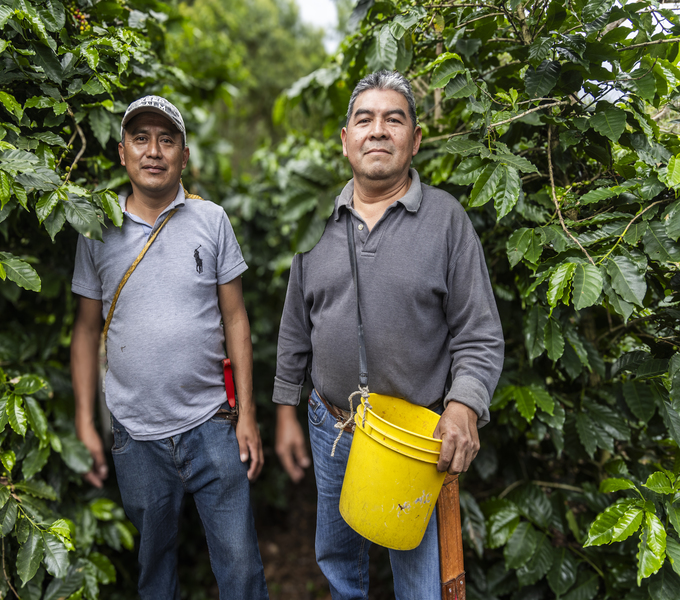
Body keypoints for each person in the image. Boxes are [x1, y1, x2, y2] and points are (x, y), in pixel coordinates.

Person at [273, 71, 504, 599]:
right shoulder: (317, 222)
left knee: (422, 585)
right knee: (338, 567)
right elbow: (294, 330)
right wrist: (285, 413)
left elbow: (480, 332)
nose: (378, 130)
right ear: (346, 138)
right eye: (365, 119)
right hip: (331, 427)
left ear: (415, 140)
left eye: (393, 119)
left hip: (416, 443)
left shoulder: (446, 219)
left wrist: (465, 406)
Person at [70, 95, 269, 600]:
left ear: (184, 155)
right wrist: (85, 424)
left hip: (213, 425)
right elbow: (87, 331)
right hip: (135, 436)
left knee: (242, 568)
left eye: (167, 139)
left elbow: (235, 318)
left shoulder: (212, 220)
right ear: (122, 153)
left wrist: (247, 415)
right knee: (155, 575)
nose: (153, 151)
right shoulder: (98, 228)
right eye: (141, 138)